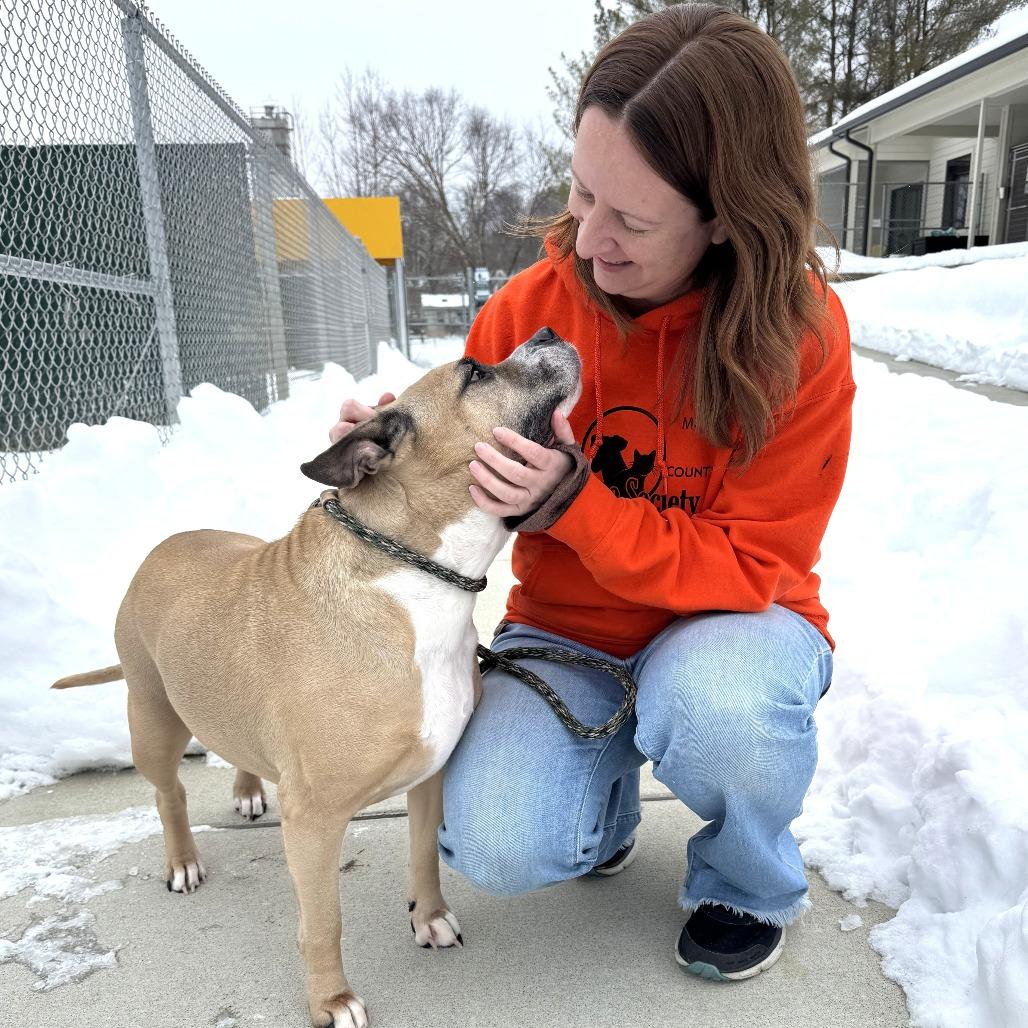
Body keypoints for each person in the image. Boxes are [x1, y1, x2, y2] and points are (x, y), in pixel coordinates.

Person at [331, 2, 854, 982]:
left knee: (717, 713)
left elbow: (755, 563)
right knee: (490, 842)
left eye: (633, 218)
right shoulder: (531, 303)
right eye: (581, 193)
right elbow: (457, 448)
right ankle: (595, 801)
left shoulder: (800, 335)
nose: (587, 237)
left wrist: (576, 505)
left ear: (724, 214)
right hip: (567, 633)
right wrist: (388, 452)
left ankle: (743, 878)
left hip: (735, 621)